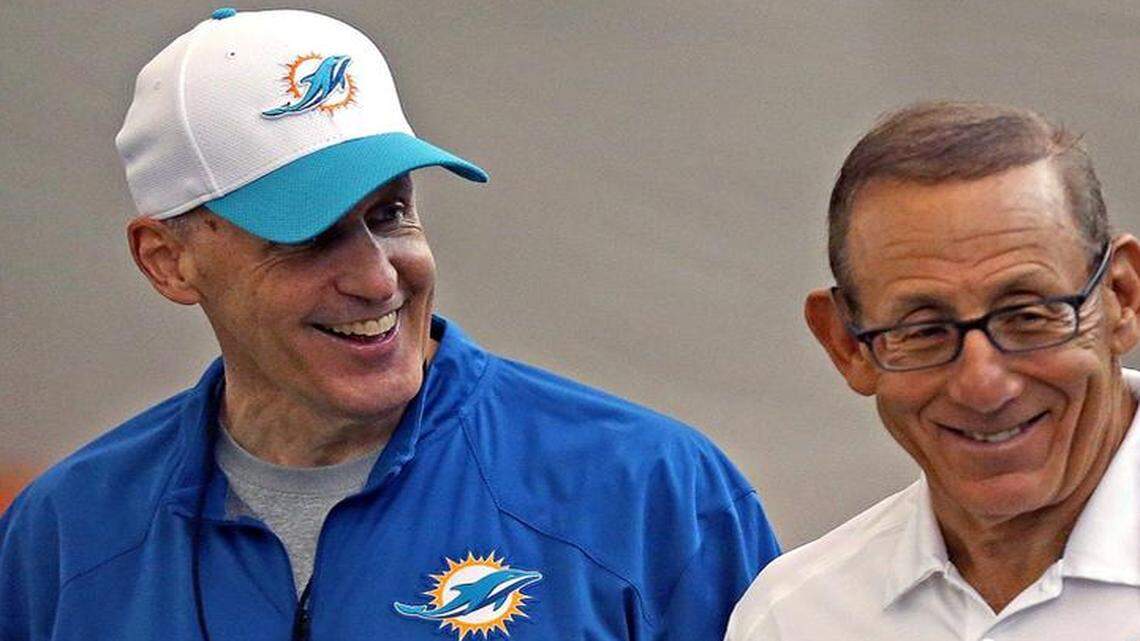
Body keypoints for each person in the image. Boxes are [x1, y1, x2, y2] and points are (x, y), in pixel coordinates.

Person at [0, 8, 780, 641]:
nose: (378, 277)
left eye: (391, 213)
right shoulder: (66, 533)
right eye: (307, 235)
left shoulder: (649, 491)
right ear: (168, 260)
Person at [725, 100, 1140, 640]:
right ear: (847, 345)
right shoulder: (796, 617)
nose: (984, 386)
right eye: (922, 331)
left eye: (1027, 316)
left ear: (1121, 299)